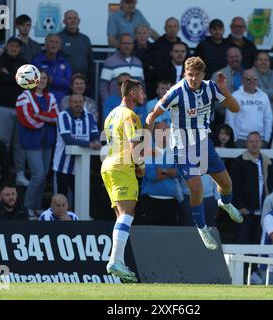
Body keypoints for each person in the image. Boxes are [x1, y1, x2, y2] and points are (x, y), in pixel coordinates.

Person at [146, 56, 244, 251]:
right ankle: (202, 228)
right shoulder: (175, 92)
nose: (192, 79)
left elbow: (235, 108)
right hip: (181, 147)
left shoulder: (211, 88)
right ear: (184, 74)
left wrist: (224, 91)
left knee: (226, 185)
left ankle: (225, 203)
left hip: (203, 143)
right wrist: (147, 141)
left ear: (203, 75)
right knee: (197, 187)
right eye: (189, 75)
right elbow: (152, 116)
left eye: (196, 75)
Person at [101, 79, 146, 282]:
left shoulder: (111, 114)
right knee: (128, 213)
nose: (144, 95)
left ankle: (118, 260)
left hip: (108, 165)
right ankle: (115, 261)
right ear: (133, 93)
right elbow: (135, 144)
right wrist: (141, 166)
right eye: (141, 91)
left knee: (122, 215)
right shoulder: (130, 115)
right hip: (122, 166)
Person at [16, 70, 58, 218]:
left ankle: (37, 207)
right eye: (39, 78)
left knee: (44, 176)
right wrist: (43, 119)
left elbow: (55, 117)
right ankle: (28, 207)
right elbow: (26, 119)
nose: (42, 80)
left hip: (47, 142)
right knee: (38, 175)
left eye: (45, 77)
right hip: (31, 142)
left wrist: (39, 115)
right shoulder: (24, 96)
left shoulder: (50, 97)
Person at [53, 94, 101, 209]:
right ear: (70, 103)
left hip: (81, 166)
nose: (78, 104)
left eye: (80, 102)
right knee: (60, 197)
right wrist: (89, 144)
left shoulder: (90, 116)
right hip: (62, 165)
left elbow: (95, 134)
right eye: (75, 102)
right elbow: (68, 139)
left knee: (80, 197)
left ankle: (76, 221)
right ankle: (59, 222)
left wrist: (97, 141)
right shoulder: (62, 116)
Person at [0, 37, 29, 187]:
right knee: (3, 143)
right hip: (3, 107)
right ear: (7, 47)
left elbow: (27, 82)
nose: (14, 48)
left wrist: (11, 75)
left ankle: (20, 174)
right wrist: (17, 77)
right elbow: (2, 78)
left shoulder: (24, 63)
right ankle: (1, 173)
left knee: (19, 144)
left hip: (20, 108)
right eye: (11, 46)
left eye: (16, 46)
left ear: (20, 49)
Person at [230, 132, 273, 244]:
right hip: (245, 211)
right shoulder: (238, 162)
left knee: (259, 242)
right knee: (242, 241)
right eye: (251, 141)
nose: (254, 144)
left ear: (261, 143)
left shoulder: (267, 161)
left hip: (263, 211)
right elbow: (235, 186)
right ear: (246, 143)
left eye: (257, 141)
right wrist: (240, 206)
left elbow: (271, 185)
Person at [136, 121, 179, 226]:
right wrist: (170, 172)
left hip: (171, 201)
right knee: (149, 237)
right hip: (150, 201)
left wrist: (163, 170)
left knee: (169, 238)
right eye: (162, 131)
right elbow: (151, 175)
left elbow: (179, 173)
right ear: (154, 133)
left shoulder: (175, 151)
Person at [226, 69, 273, 148]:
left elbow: (268, 119)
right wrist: (234, 139)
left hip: (259, 140)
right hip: (240, 140)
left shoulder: (264, 96)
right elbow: (230, 119)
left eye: (254, 79)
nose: (251, 81)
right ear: (242, 80)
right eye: (248, 79)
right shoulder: (235, 96)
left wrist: (266, 139)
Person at [99, 34, 144, 105]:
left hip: (135, 107)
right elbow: (103, 86)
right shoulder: (110, 62)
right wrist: (108, 104)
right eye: (124, 43)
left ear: (133, 45)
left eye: (129, 43)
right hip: (115, 106)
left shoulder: (138, 62)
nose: (127, 46)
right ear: (119, 45)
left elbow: (142, 85)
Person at [31, 34, 72, 105]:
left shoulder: (64, 63)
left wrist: (52, 80)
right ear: (45, 45)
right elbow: (32, 82)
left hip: (61, 102)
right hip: (41, 101)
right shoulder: (36, 62)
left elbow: (68, 83)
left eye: (56, 42)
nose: (54, 44)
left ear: (60, 47)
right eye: (51, 42)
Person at [57, 10, 95, 88]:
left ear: (79, 21)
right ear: (64, 21)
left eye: (75, 18)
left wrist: (90, 82)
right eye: (69, 18)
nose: (72, 20)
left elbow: (91, 62)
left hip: (82, 84)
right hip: (64, 83)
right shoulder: (58, 38)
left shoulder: (85, 39)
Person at [253, 51, 273, 119]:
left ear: (269, 63)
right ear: (255, 63)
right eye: (260, 60)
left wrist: (260, 90)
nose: (263, 62)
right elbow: (252, 93)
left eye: (266, 60)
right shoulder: (250, 74)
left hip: (271, 118)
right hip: (254, 119)